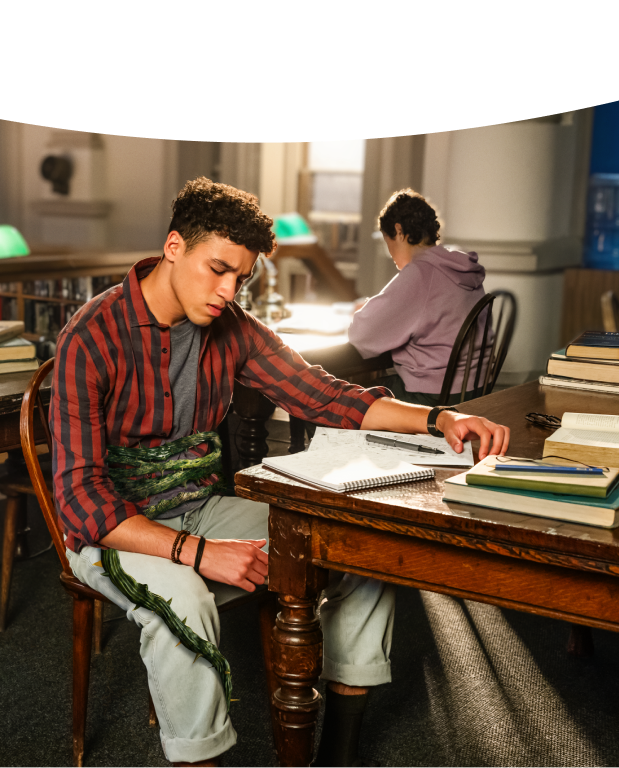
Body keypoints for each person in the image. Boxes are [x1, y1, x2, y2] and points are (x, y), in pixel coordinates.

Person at [50, 177, 510, 768]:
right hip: (115, 530)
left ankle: (337, 754)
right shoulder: (91, 337)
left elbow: (325, 395)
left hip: (201, 508)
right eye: (217, 269)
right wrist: (196, 552)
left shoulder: (232, 327)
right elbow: (81, 500)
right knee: (186, 599)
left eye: (239, 278)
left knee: (354, 546)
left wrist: (439, 417)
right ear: (173, 248)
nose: (226, 291)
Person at [349, 189, 491, 406]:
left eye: (389, 243)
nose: (391, 255)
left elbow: (361, 335)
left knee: (340, 399)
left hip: (434, 395)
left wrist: (364, 310)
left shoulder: (421, 274)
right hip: (476, 389)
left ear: (398, 231)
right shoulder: (460, 268)